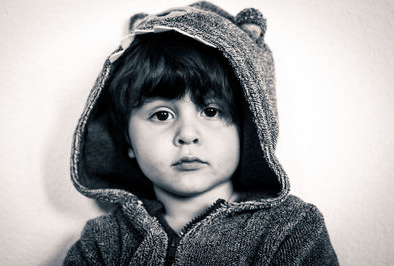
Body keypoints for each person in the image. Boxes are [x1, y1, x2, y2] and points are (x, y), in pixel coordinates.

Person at [64, 1, 338, 265]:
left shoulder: (291, 228)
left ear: (250, 126)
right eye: (162, 115)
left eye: (210, 111)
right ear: (128, 140)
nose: (187, 135)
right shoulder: (102, 240)